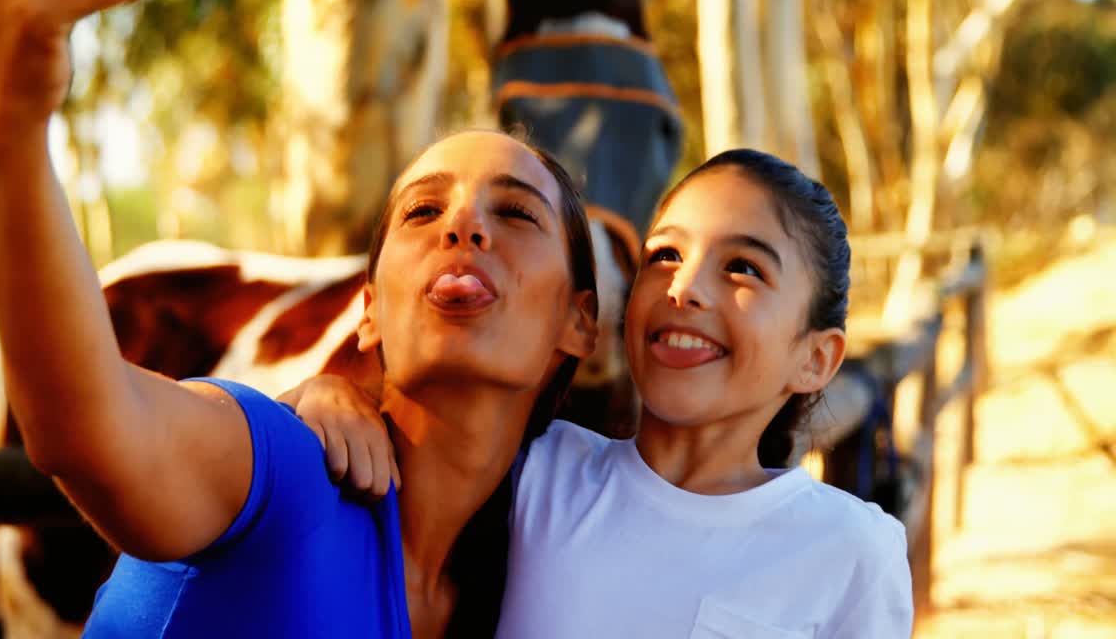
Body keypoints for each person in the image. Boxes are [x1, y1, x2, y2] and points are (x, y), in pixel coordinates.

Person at [0, 0, 599, 636]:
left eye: (515, 212)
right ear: (369, 311)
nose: (463, 227)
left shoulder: (521, 584)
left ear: (582, 321)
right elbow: (89, 426)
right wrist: (13, 131)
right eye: (423, 210)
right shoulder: (284, 470)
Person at [294, 149, 913, 637]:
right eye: (665, 255)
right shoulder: (537, 471)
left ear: (815, 358)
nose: (685, 288)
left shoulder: (851, 549)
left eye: (743, 268)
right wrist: (321, 395)